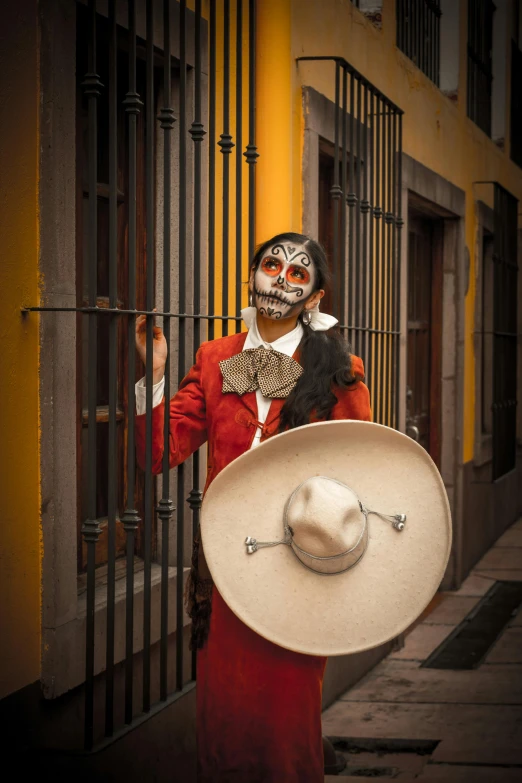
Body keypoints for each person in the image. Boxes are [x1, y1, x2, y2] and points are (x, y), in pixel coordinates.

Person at [134, 232, 372, 782]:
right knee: (224, 720)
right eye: (272, 265)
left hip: (300, 567)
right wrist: (155, 375)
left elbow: (359, 468)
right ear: (251, 276)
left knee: (287, 722)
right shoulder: (216, 358)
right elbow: (159, 452)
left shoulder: (340, 368)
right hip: (225, 567)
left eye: (298, 274)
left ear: (314, 298)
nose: (281, 279)